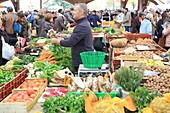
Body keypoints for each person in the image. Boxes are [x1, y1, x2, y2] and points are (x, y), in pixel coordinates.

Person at [50, 3, 94, 71]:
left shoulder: (82, 26)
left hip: (82, 60)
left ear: (81, 12)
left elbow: (70, 42)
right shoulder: (82, 24)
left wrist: (56, 41)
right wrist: (63, 39)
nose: (72, 12)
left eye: (74, 10)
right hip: (82, 58)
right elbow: (75, 39)